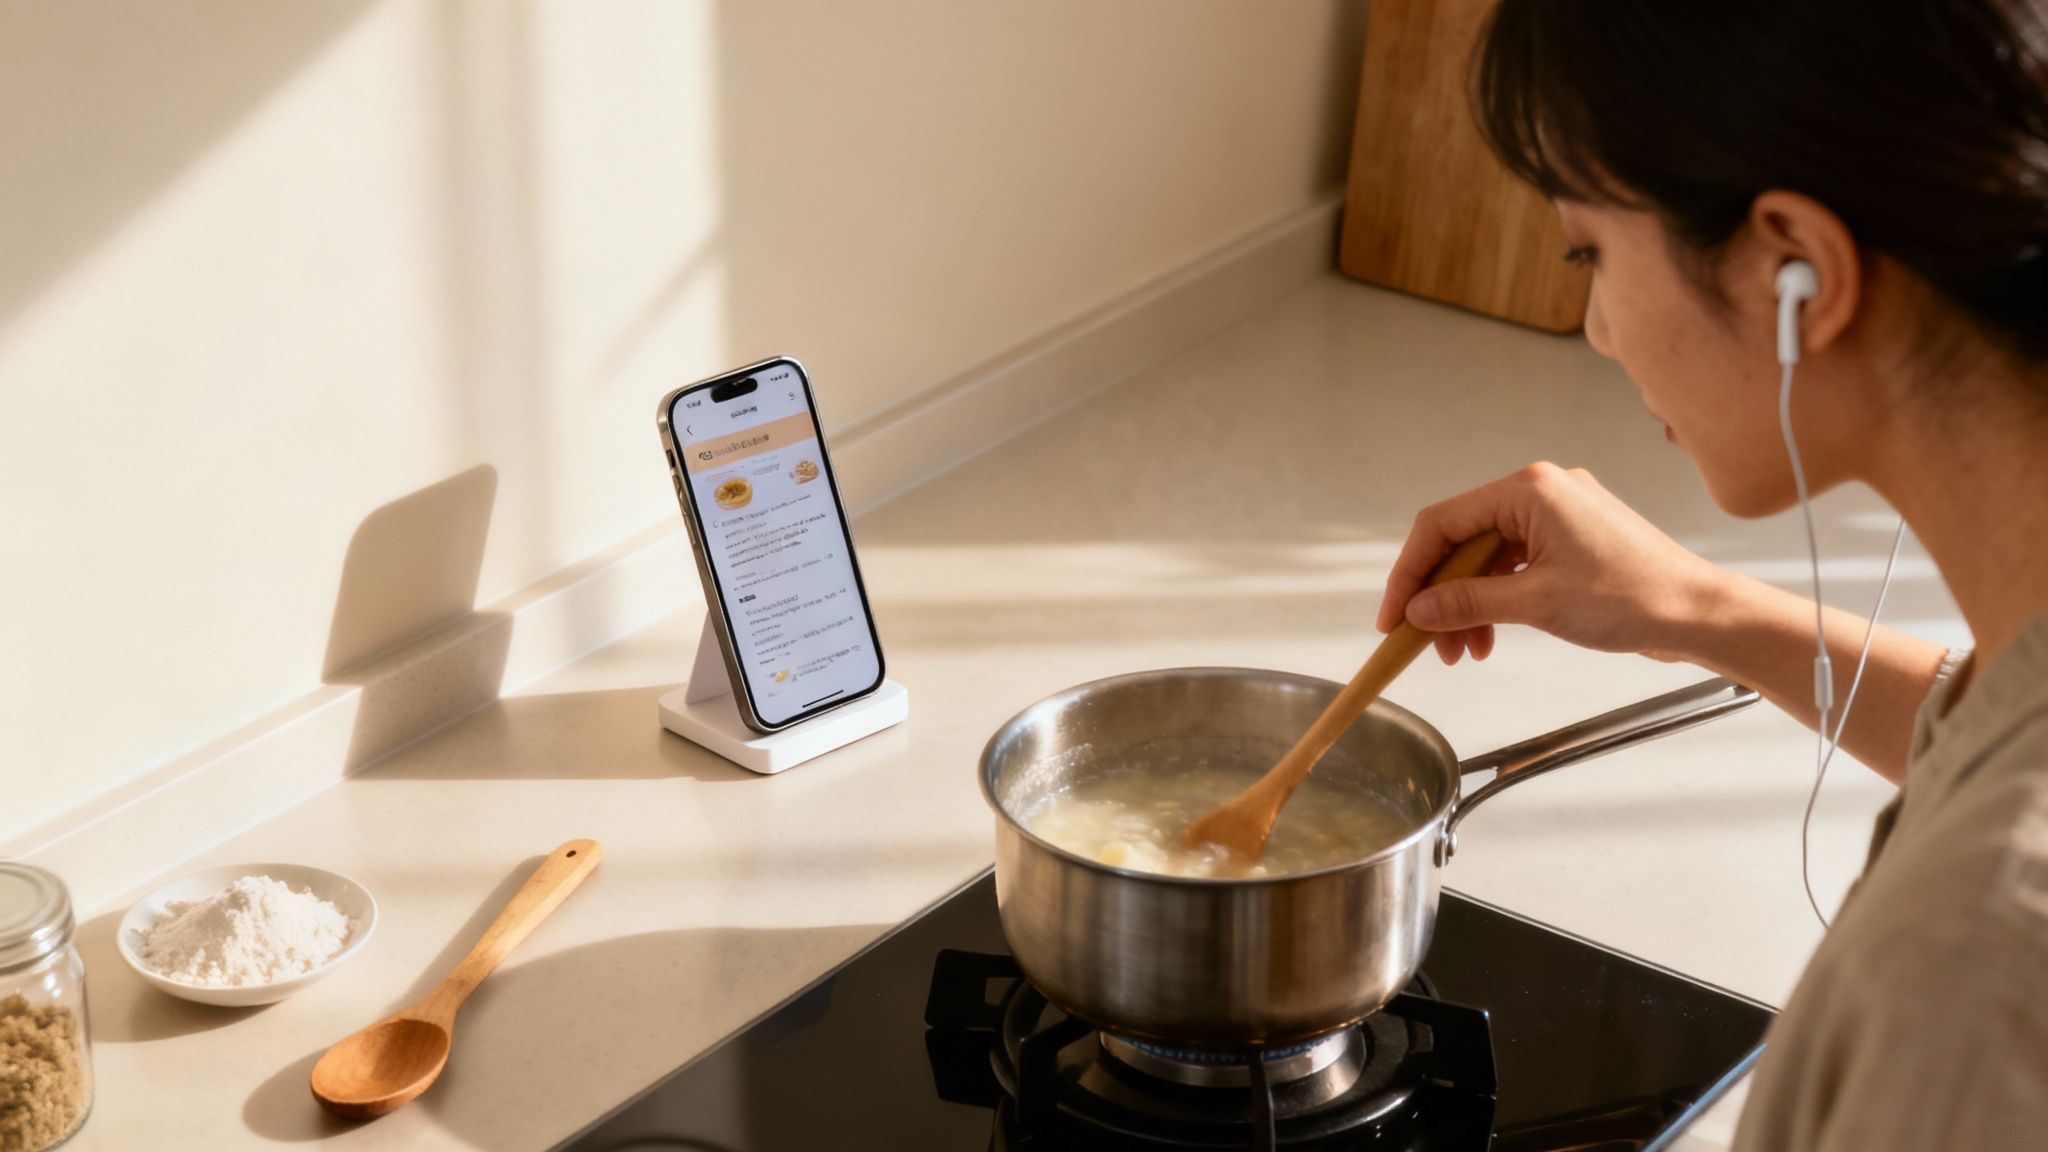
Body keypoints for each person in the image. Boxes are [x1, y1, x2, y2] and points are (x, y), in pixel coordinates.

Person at [1370, 2, 2048, 1149]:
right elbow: (1995, 726)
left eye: (1588, 249)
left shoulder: (1977, 969)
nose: (1595, 327)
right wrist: (1700, 610)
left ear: (1793, 270)